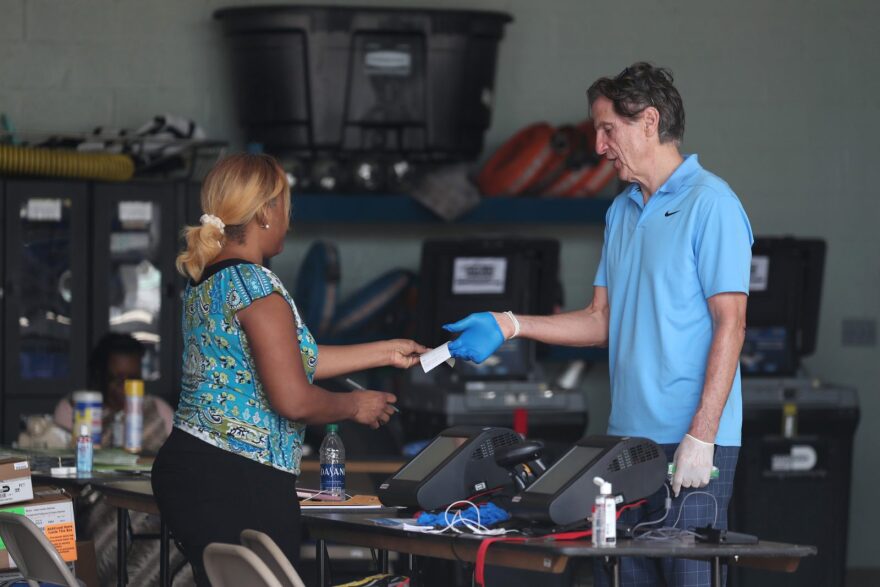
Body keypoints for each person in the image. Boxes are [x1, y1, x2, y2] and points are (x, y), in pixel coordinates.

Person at [444, 62, 753, 587]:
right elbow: (599, 320)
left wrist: (702, 434)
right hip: (626, 444)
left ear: (649, 122)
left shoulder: (712, 204)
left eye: (608, 129)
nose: (598, 145)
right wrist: (509, 323)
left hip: (694, 447)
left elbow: (732, 325)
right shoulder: (622, 211)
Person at [151, 153, 427, 586]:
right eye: (287, 206)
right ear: (265, 211)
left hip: (191, 469)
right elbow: (293, 399)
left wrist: (387, 352)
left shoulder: (209, 281)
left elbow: (289, 359)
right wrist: (354, 405)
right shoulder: (258, 286)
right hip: (236, 478)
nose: (289, 220)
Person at [54, 332, 173, 451]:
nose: (125, 387)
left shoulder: (159, 411)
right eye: (117, 379)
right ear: (100, 375)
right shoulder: (75, 407)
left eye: (132, 379)